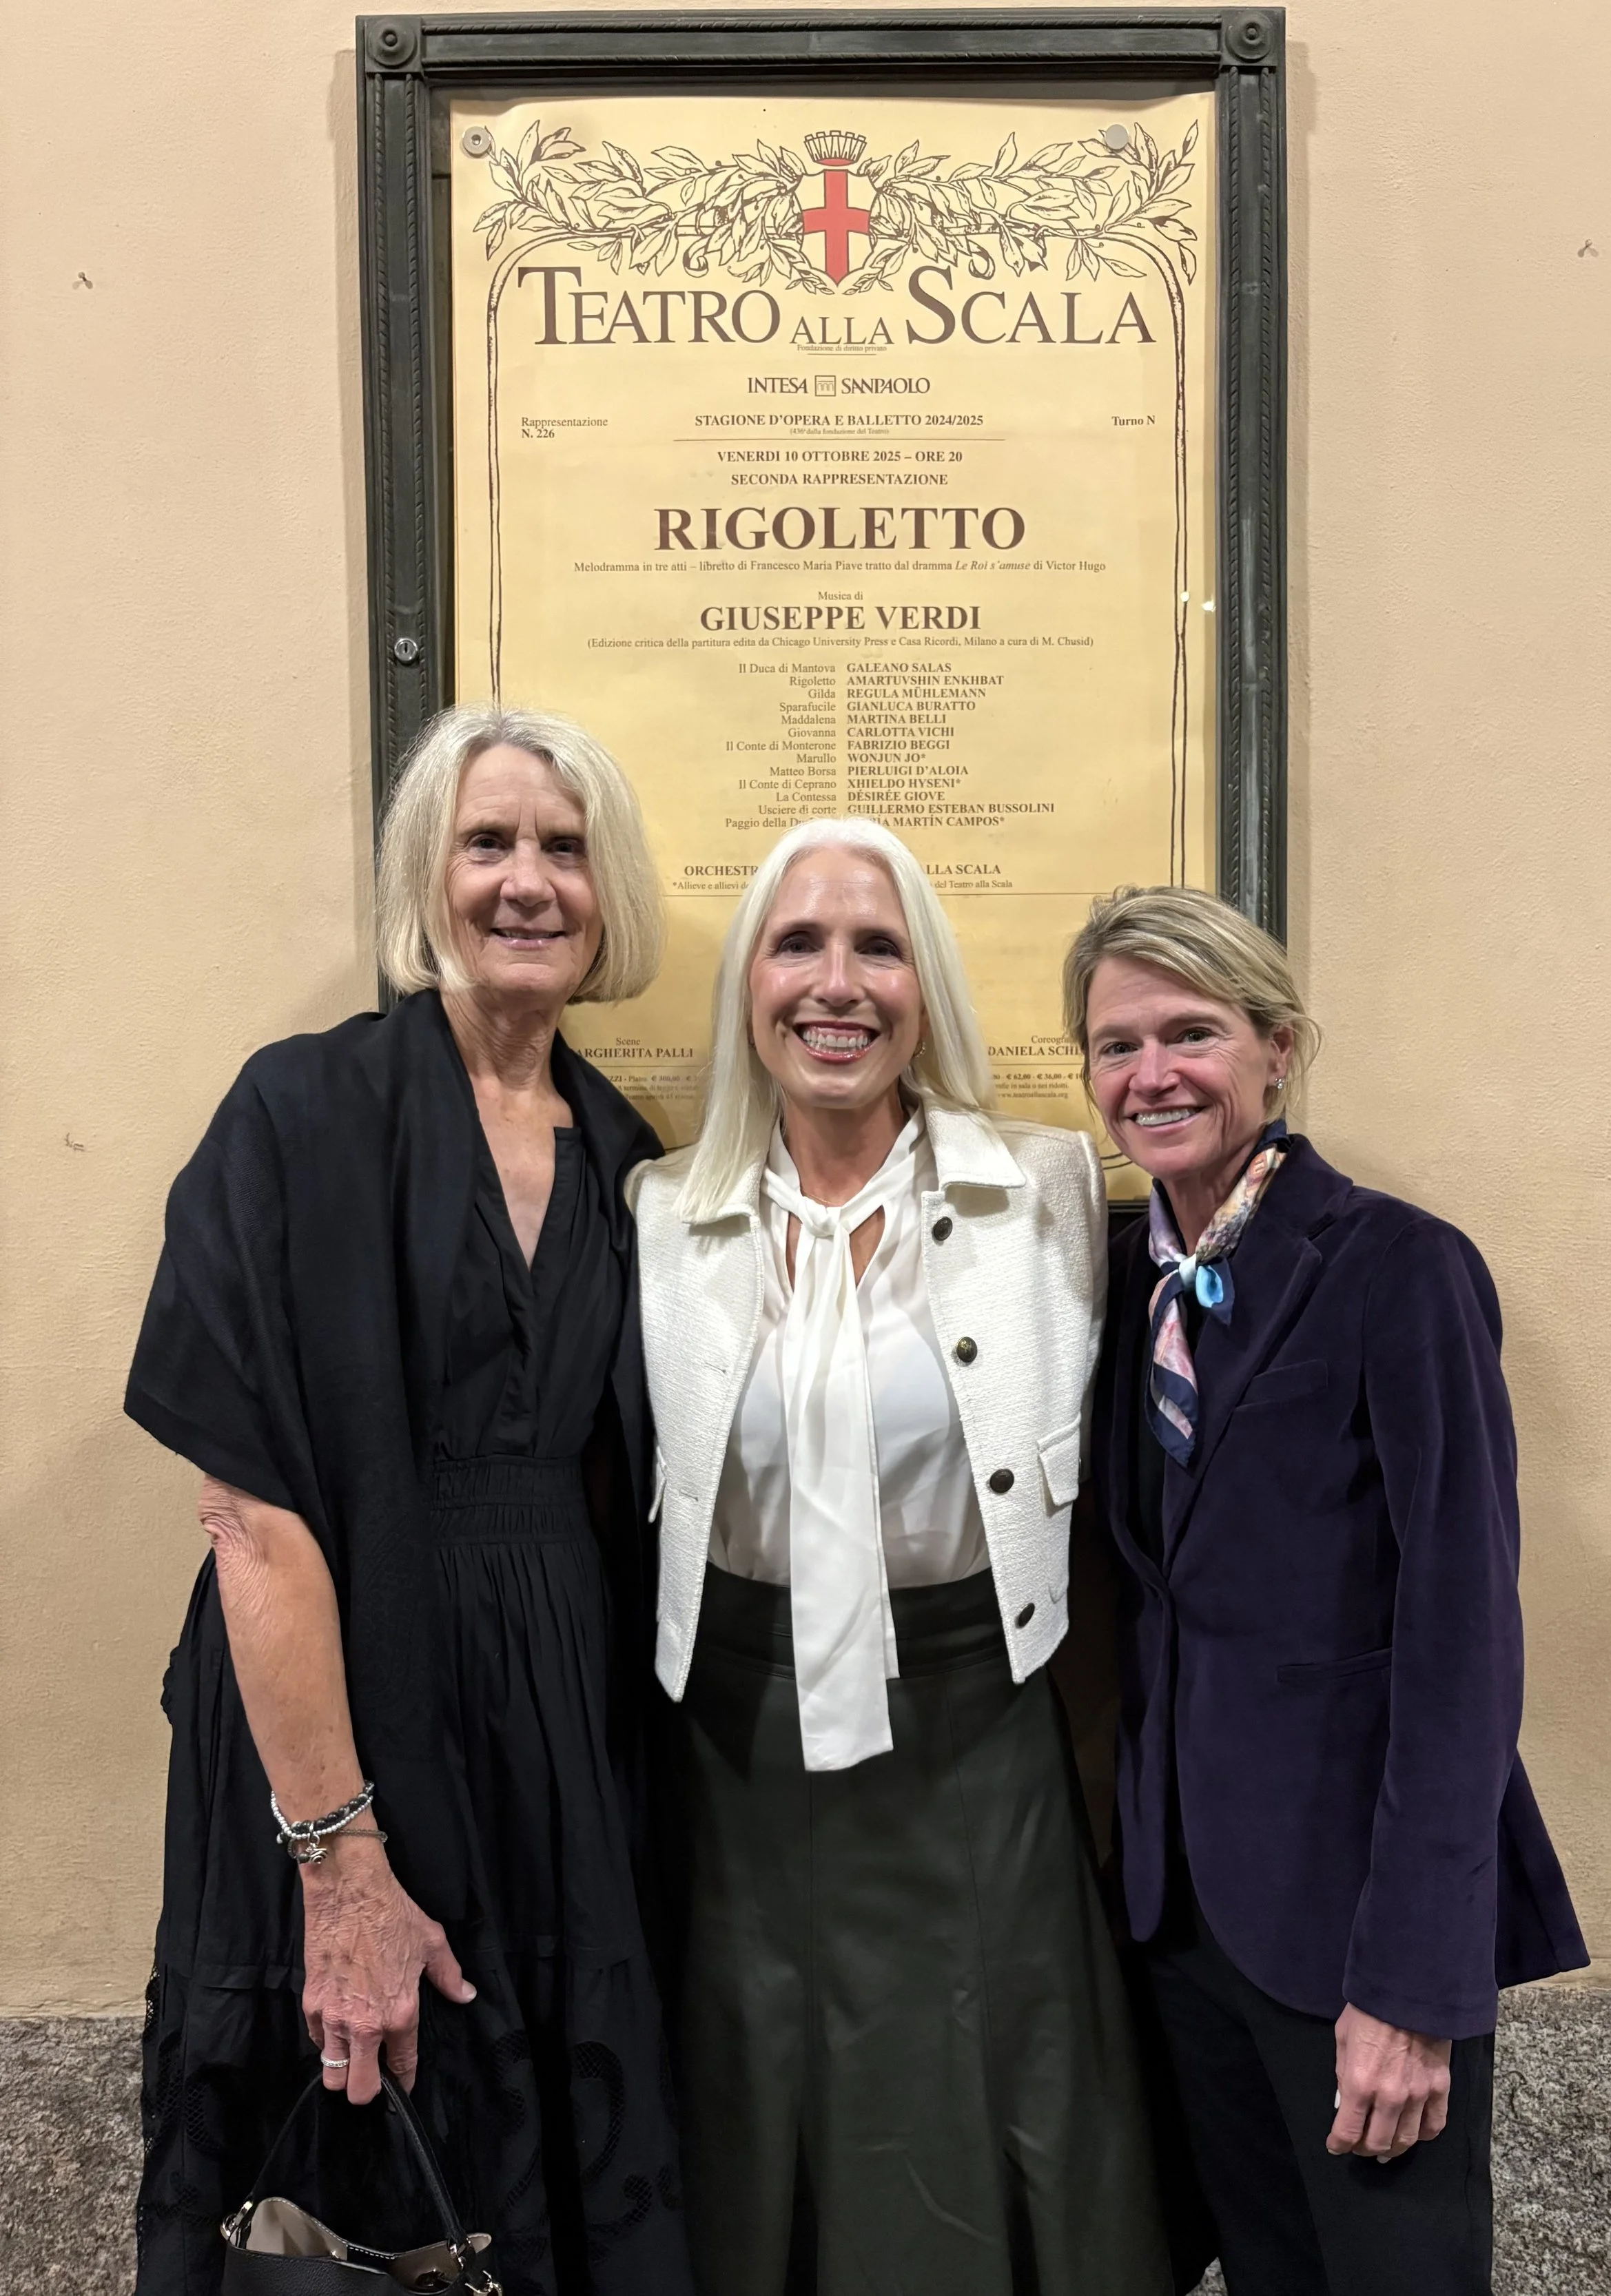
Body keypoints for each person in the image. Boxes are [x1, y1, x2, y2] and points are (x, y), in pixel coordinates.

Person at [125, 705, 694, 2296]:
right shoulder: (300, 1115)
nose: (528, 882)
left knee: (538, 2174)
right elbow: (249, 1510)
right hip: (342, 1711)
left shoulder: (626, 1160)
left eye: (564, 848)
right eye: (487, 841)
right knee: (355, 2146)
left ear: (610, 890)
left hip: (553, 1741)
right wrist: (340, 1863)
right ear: (424, 875)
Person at [629, 820, 1171, 2296]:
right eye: (796, 943)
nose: (836, 983)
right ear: (747, 982)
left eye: (876, 946)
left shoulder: (1046, 1190)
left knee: (992, 2079)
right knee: (762, 2085)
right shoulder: (661, 1216)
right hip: (739, 1746)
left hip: (978, 1724)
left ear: (924, 983)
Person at [1065, 884, 1588, 2296]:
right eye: (1115, 1046)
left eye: (1191, 1033)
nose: (1150, 1074)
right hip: (1184, 1926)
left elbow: (1460, 1649)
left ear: (1275, 1048)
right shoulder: (1117, 1282)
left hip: (1351, 1937)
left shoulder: (1397, 1271)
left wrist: (1412, 1989)